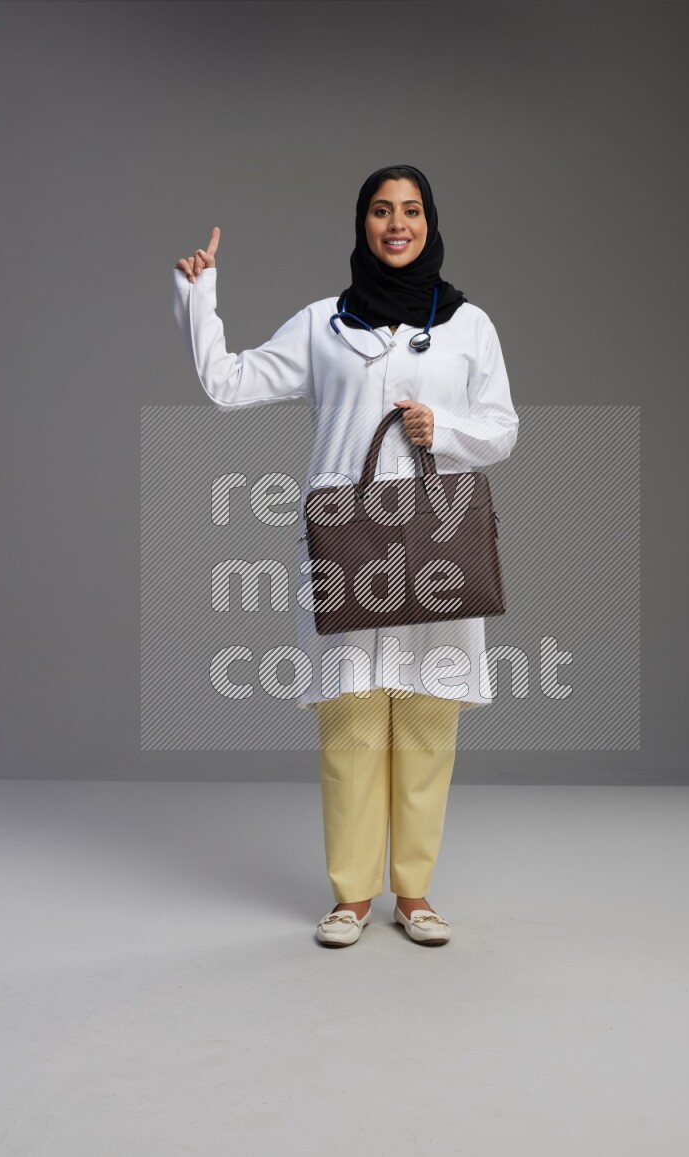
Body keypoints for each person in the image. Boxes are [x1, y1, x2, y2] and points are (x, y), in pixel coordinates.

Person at [173, 164, 518, 948]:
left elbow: (503, 428)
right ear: (361, 224)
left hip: (436, 537)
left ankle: (416, 894)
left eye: (411, 210)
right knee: (352, 722)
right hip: (347, 540)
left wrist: (447, 431)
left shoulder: (470, 326)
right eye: (380, 211)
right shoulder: (323, 324)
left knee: (429, 719)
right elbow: (227, 384)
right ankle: (352, 896)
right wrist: (201, 296)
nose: (397, 223)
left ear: (431, 222)